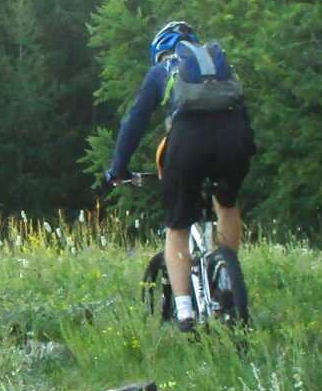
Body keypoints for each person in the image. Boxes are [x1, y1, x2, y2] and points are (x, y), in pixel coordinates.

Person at [104, 20, 254, 327]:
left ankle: (185, 310)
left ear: (160, 49)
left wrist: (118, 169)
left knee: (178, 226)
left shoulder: (163, 69)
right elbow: (243, 112)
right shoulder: (221, 68)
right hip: (235, 138)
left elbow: (134, 123)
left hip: (188, 143)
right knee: (227, 203)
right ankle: (227, 278)